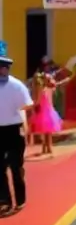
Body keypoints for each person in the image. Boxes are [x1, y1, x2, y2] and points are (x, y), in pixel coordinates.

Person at [0, 48, 33, 216]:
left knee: (15, 167)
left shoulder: (16, 85)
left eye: (3, 68)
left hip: (13, 129)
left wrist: (16, 111)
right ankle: (4, 201)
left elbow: (27, 104)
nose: (2, 71)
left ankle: (20, 200)